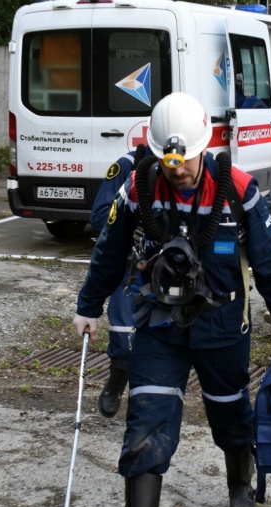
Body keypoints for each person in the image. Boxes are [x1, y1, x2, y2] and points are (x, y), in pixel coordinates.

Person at [72, 92, 271, 507]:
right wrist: (89, 306)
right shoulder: (138, 188)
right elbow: (109, 249)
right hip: (160, 324)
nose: (178, 171)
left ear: (203, 146)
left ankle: (239, 488)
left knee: (231, 412)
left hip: (222, 324)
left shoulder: (238, 190)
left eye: (186, 160)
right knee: (147, 420)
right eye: (168, 162)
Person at [90, 144, 153, 418]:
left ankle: (149, 399)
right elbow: (100, 215)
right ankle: (117, 381)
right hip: (130, 266)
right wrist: (133, 225)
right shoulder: (126, 166)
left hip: (167, 269)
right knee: (124, 337)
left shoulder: (190, 168)